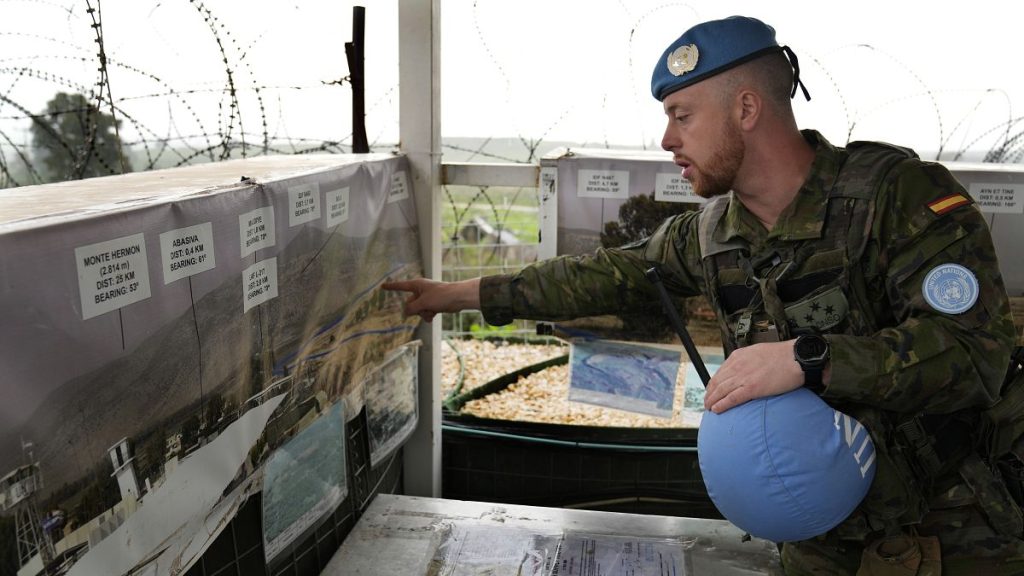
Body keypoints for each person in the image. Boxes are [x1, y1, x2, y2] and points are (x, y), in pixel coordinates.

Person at [385, 15, 1023, 575]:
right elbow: (604, 276)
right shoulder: (711, 235)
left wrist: (809, 359)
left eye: (682, 116)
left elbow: (976, 354)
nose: (668, 141)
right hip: (819, 539)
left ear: (747, 109)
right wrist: (453, 294)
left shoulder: (898, 199)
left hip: (951, 528)